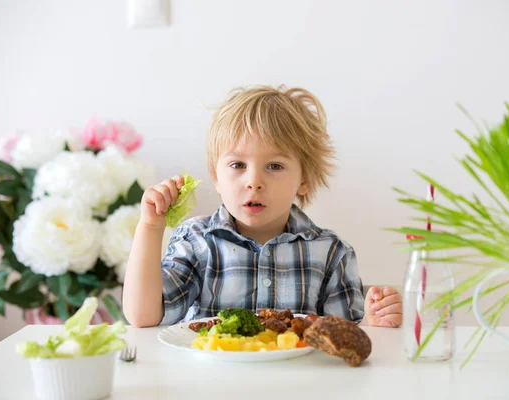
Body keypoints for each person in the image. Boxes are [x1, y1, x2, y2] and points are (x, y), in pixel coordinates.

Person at [123, 85, 402, 328]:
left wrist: (372, 321)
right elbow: (143, 316)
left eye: (274, 166)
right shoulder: (196, 241)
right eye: (238, 165)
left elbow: (345, 338)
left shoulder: (331, 253)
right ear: (216, 176)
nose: (254, 182)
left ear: (303, 179)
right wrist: (150, 227)